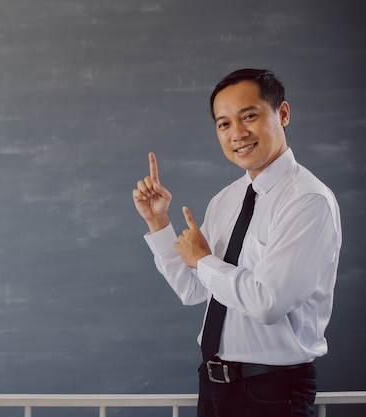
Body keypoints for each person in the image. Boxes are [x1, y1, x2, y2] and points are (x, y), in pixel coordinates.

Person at [132, 69, 342, 417]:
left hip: (272, 391)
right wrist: (158, 222)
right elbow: (193, 290)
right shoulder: (226, 200)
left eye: (249, 116)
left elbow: (269, 302)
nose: (237, 134)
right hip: (213, 384)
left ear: (283, 114)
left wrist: (203, 261)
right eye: (224, 124)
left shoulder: (308, 200)